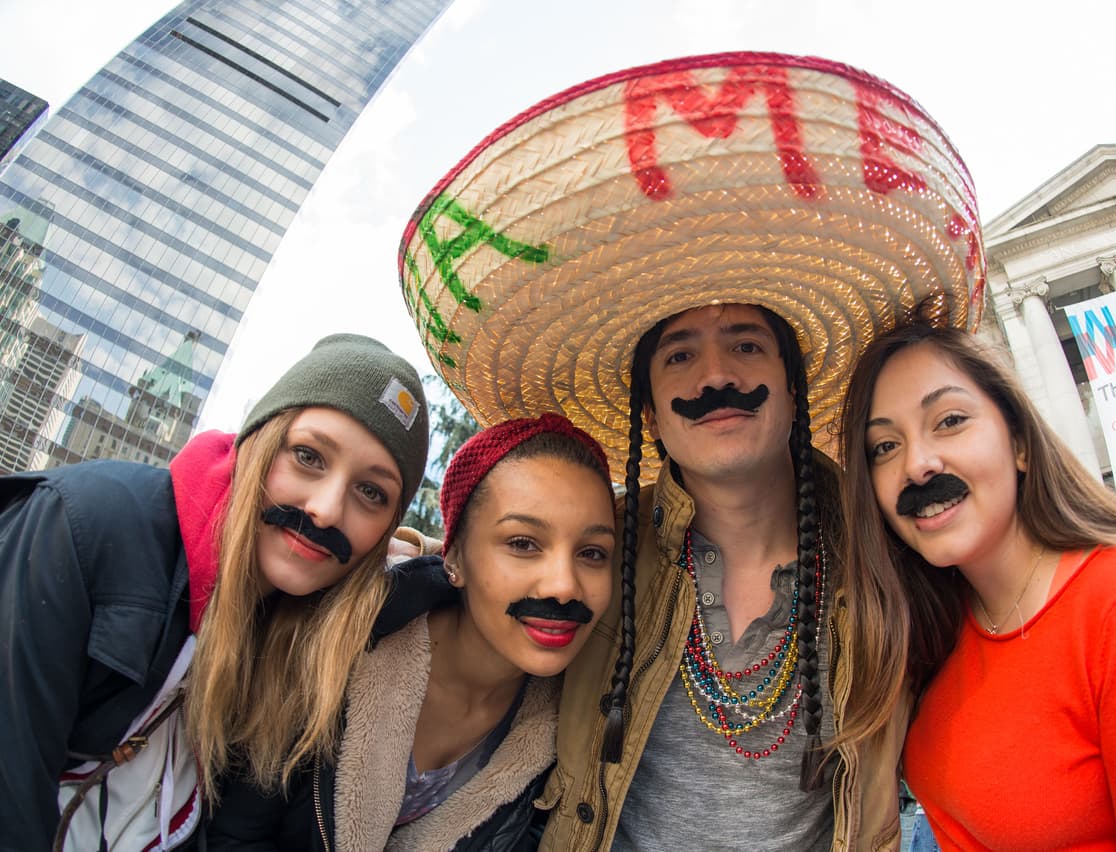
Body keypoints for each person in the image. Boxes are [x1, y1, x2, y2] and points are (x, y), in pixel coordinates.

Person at [397, 52, 985, 850]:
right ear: (649, 410)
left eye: (746, 345)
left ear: (792, 381)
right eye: (678, 356)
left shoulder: (885, 551)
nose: (715, 376)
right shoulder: (598, 557)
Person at [0, 334, 430, 851]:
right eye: (308, 457)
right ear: (255, 445)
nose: (327, 509)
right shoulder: (89, 524)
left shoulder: (297, 637)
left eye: (371, 492)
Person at [839, 323, 1116, 849]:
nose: (918, 464)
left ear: (1018, 441)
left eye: (949, 421)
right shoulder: (931, 627)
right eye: (884, 445)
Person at [208, 412, 617, 850]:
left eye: (593, 553)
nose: (563, 586)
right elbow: (233, 836)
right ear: (454, 556)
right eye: (522, 543)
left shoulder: (574, 732)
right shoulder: (334, 644)